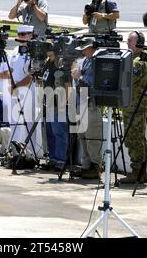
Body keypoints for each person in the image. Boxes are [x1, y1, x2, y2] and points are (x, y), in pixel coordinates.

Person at [119, 31, 147, 184]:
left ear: (139, 44)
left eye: (130, 41)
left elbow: (127, 79)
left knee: (134, 138)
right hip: (131, 105)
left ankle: (138, 171)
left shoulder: (138, 62)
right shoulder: (133, 60)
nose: (127, 44)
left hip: (136, 106)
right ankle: (140, 172)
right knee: (135, 137)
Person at [8, 25, 44, 158]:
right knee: (14, 121)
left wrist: (16, 85)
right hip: (15, 89)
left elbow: (31, 75)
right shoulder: (15, 50)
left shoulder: (35, 51)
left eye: (25, 34)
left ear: (31, 35)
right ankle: (13, 151)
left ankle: (31, 153)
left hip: (29, 90)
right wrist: (11, 85)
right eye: (20, 34)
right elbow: (10, 70)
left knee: (29, 121)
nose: (22, 37)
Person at [71, 37, 103, 179]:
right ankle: (86, 166)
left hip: (91, 103)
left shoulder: (97, 62)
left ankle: (95, 167)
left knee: (92, 136)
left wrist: (79, 77)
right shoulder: (87, 61)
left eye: (85, 48)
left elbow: (92, 83)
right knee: (82, 136)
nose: (83, 51)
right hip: (82, 100)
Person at [42, 44, 71, 172]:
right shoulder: (47, 63)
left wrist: (63, 103)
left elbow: (68, 85)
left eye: (48, 47)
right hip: (48, 102)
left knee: (59, 132)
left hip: (57, 103)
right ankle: (53, 158)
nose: (45, 50)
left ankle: (60, 160)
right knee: (50, 132)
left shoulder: (60, 63)